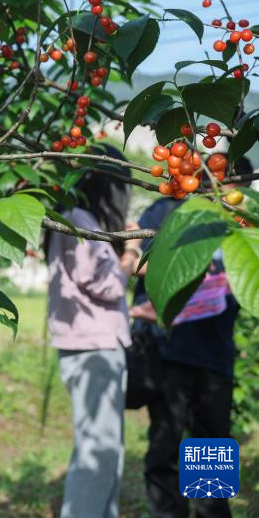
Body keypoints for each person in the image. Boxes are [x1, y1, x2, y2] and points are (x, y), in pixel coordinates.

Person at [131, 156, 252, 518]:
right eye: (222, 182)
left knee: (211, 451)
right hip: (169, 352)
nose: (228, 193)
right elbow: (138, 259)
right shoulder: (167, 211)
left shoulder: (241, 225)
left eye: (237, 188)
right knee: (165, 449)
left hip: (215, 354)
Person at [45, 143, 144, 518]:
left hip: (93, 347)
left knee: (106, 451)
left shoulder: (75, 220)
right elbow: (107, 285)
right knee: (98, 453)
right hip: (94, 352)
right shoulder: (80, 221)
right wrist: (132, 252)